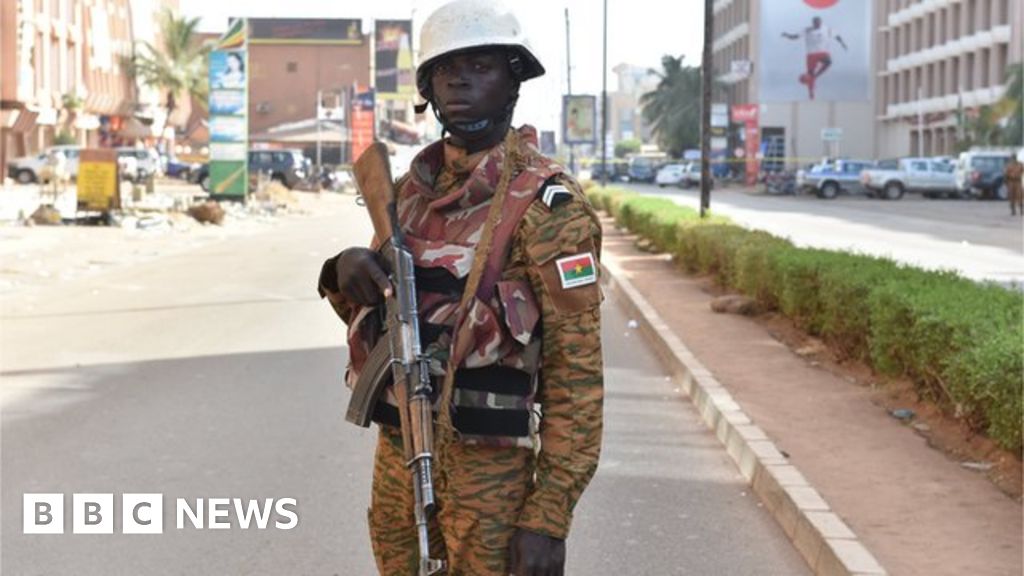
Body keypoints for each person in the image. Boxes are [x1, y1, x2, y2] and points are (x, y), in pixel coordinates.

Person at [316, 1, 604, 575]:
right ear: (426, 86)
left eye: (481, 63)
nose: (460, 77)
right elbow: (390, 324)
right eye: (445, 67)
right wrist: (342, 273)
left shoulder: (550, 209)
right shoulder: (409, 196)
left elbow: (577, 378)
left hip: (492, 482)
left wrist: (549, 516)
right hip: (401, 461)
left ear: (514, 78)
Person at [782, 16, 847, 100]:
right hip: (811, 55)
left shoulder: (827, 29)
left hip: (823, 52)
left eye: (818, 23)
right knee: (810, 74)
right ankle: (811, 92)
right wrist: (787, 35)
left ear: (821, 22)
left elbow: (837, 36)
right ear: (813, 23)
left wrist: (842, 43)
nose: (817, 24)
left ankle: (815, 76)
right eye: (815, 23)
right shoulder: (807, 30)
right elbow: (795, 37)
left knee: (828, 62)